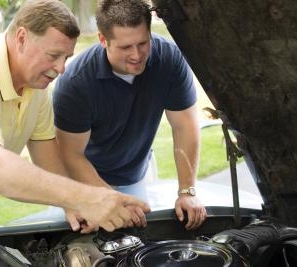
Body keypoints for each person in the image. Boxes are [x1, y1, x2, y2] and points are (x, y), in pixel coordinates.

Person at [0, 0, 150, 234]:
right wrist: (85, 198)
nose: (61, 69)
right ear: (22, 38)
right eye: (53, 55)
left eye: (66, 57)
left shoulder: (36, 84)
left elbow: (45, 150)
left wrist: (72, 206)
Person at [53, 0, 207, 232]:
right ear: (103, 40)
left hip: (135, 172)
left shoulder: (170, 60)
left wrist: (187, 191)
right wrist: (110, 200)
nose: (137, 55)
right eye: (126, 47)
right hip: (83, 180)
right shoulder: (76, 83)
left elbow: (184, 126)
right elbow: (70, 154)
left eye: (143, 43)